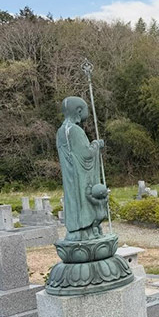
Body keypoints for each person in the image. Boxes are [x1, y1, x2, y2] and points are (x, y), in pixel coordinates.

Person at [56, 96, 107, 241]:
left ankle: (76, 230)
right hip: (80, 178)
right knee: (84, 201)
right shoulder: (75, 130)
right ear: (79, 111)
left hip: (70, 178)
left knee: (74, 201)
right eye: (86, 110)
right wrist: (97, 144)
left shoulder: (61, 131)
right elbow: (86, 155)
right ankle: (87, 230)